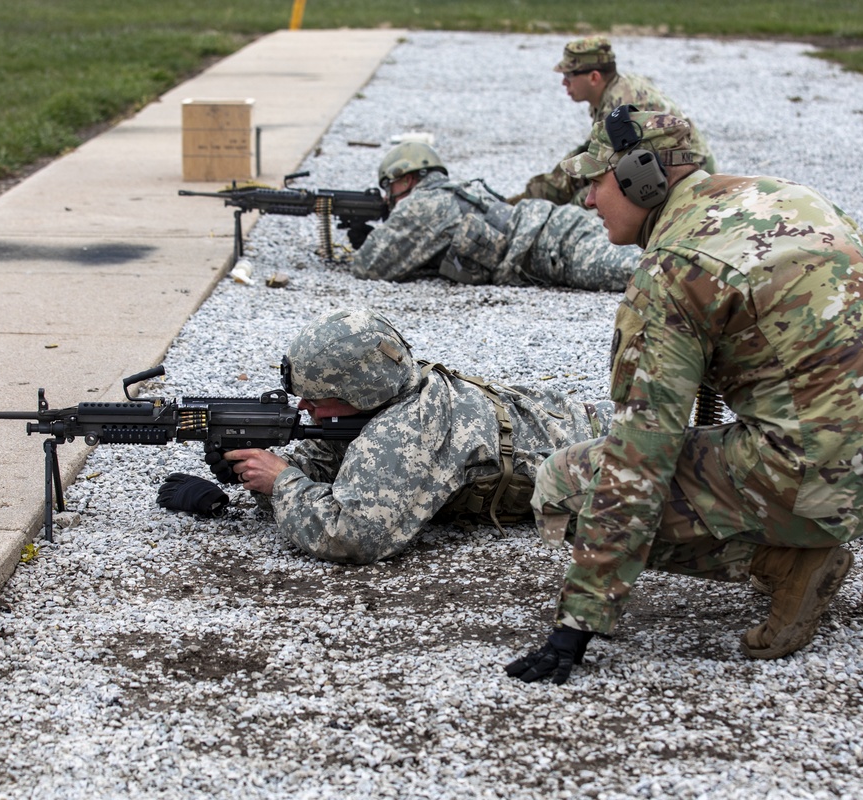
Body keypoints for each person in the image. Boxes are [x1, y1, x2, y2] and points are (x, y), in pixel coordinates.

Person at [506, 105, 863, 686]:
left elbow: (639, 457)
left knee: (563, 487)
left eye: (596, 180)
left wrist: (578, 623)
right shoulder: (792, 198)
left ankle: (786, 561)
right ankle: (801, 538)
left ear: (641, 175)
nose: (587, 201)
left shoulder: (675, 269)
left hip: (822, 483)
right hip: (862, 468)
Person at [160, 308, 616, 563]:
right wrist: (252, 470)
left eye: (318, 397)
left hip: (612, 466)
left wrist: (282, 482)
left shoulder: (406, 429)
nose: (305, 407)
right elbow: (330, 458)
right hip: (587, 423)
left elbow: (352, 535)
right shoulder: (392, 387)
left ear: (358, 390)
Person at [347, 142, 638, 292]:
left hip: (556, 247)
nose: (388, 197)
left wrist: (366, 239)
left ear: (407, 179)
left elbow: (369, 267)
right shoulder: (452, 192)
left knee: (652, 274)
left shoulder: (423, 204)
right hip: (558, 228)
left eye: (390, 186)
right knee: (657, 258)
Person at [509, 35, 716, 207]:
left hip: (686, 181)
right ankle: (526, 202)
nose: (564, 82)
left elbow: (613, 174)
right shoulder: (614, 90)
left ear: (594, 77)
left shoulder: (618, 107)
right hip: (665, 167)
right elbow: (590, 154)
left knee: (583, 206)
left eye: (570, 75)